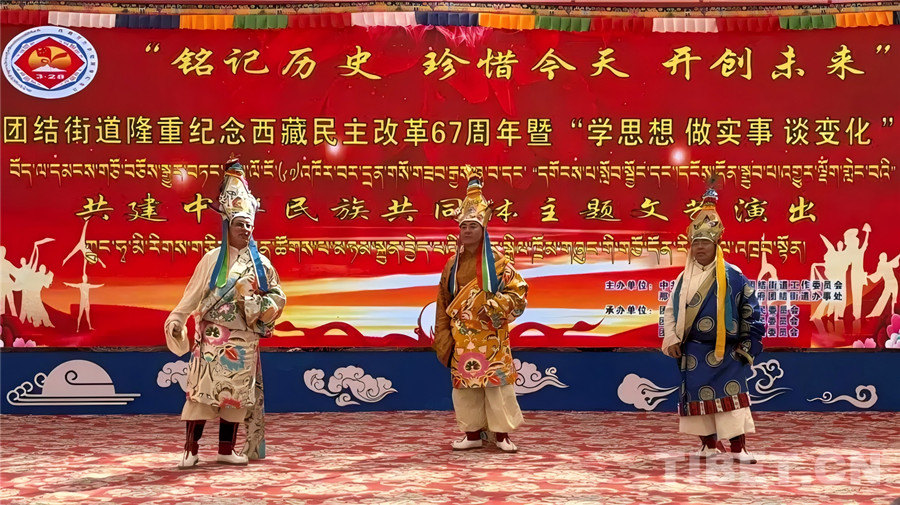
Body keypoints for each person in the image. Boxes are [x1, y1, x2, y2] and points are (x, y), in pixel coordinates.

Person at [166, 157, 286, 468]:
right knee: (201, 397)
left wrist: (254, 303)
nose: (245, 229)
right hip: (211, 340)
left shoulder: (262, 264)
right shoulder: (211, 259)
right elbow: (192, 295)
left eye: (249, 224)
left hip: (243, 342)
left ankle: (226, 449)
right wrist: (177, 319)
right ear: (226, 226)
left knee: (235, 398)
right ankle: (190, 450)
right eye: (239, 224)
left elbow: (278, 297)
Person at [662, 182, 764, 464]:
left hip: (727, 352)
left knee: (733, 402)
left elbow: (750, 311)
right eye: (696, 243)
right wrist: (672, 339)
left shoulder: (733, 275)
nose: (700, 248)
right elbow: (670, 312)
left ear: (716, 244)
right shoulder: (683, 279)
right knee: (698, 404)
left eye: (705, 243)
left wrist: (747, 346)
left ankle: (738, 448)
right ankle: (708, 445)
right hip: (694, 351)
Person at [433, 168, 528, 453]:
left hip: (491, 335)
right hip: (462, 338)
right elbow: (443, 300)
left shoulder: (498, 262)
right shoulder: (451, 264)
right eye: (463, 226)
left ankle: (501, 436)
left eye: (472, 226)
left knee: (497, 387)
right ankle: (472, 434)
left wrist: (497, 305)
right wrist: (443, 335)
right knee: (465, 389)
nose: (466, 231)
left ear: (483, 230)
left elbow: (519, 291)